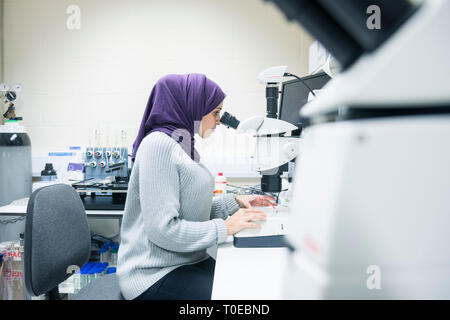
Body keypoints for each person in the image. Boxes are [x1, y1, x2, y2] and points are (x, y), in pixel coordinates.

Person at [117, 74, 276, 300]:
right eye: (215, 112)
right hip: (152, 274)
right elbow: (164, 230)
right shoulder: (159, 145)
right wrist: (225, 227)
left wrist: (235, 202)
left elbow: (188, 211)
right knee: (238, 297)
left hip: (186, 261)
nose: (219, 120)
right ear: (192, 106)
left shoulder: (182, 144)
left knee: (249, 284)